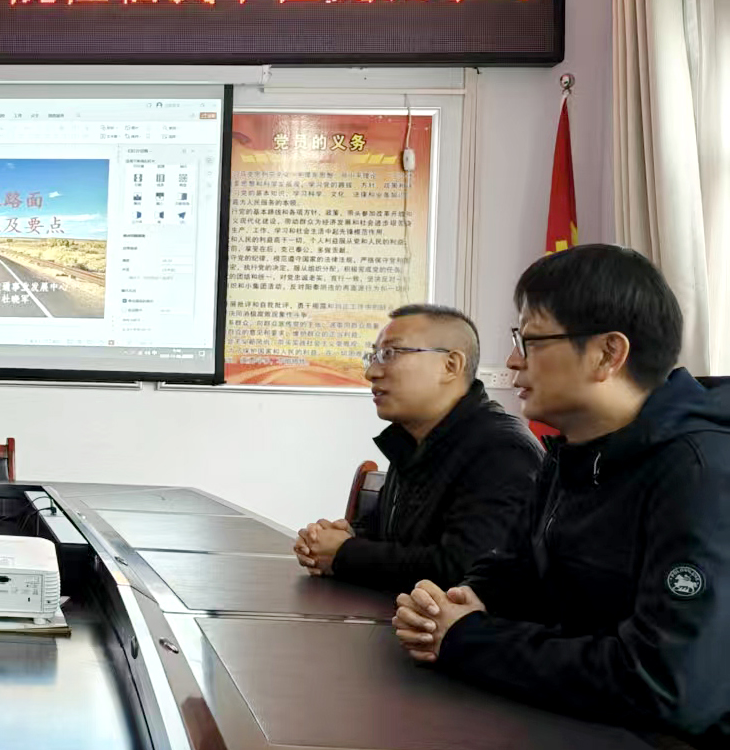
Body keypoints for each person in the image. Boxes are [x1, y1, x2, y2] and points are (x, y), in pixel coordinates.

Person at [392, 245, 730, 744]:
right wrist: (462, 600)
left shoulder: (699, 472)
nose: (512, 362)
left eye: (530, 341)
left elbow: (665, 683)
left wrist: (467, 637)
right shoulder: (575, 450)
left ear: (608, 354)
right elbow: (516, 567)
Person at [294, 304, 542, 594]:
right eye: (373, 356)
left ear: (450, 365)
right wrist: (336, 539)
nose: (371, 372)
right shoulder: (414, 439)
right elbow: (392, 539)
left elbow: (465, 570)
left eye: (390, 354)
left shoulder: (500, 450)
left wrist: (345, 553)